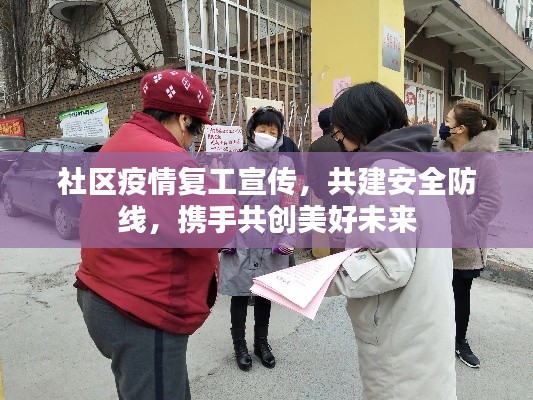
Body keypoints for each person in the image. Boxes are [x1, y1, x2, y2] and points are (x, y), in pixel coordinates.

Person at [75, 69, 239, 400]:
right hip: (142, 310)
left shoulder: (121, 141)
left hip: (107, 293)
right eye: (195, 130)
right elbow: (214, 227)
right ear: (183, 119)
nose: (192, 142)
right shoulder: (165, 160)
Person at [325, 82, 456, 399]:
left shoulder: (382, 174)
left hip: (397, 332)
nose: (340, 144)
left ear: (359, 127)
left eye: (340, 135)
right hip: (424, 317)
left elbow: (390, 265)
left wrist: (321, 279)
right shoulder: (418, 164)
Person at [219, 106, 296, 371]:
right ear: (252, 131)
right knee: (240, 294)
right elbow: (226, 202)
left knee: (265, 294)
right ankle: (239, 345)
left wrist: (288, 236)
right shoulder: (236, 161)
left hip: (272, 238)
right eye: (262, 129)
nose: (266, 135)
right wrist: (226, 239)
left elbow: (290, 204)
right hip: (241, 237)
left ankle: (261, 343)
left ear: (279, 136)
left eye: (272, 131)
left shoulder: (286, 164)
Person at [438, 102, 502, 368]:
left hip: (464, 245)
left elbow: (491, 203)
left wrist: (465, 227)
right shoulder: (441, 154)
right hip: (435, 239)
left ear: (460, 129)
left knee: (459, 292)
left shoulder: (483, 161)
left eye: (448, 121)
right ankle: (437, 338)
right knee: (435, 290)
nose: (443, 125)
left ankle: (459, 341)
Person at [307, 107, 350, 253]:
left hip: (330, 200)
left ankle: (337, 265)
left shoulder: (315, 146)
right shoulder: (348, 140)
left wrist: (322, 193)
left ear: (320, 125)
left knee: (335, 238)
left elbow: (311, 177)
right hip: (351, 197)